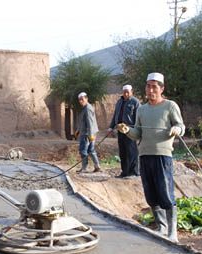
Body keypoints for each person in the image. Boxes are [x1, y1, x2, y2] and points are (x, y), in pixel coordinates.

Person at [116, 72, 185, 242]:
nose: (150, 90)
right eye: (148, 86)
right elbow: (138, 133)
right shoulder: (142, 109)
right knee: (150, 194)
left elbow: (180, 125)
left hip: (162, 156)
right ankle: (161, 226)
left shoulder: (170, 106)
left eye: (154, 86)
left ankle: (172, 231)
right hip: (145, 156)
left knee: (166, 193)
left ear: (162, 89)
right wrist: (127, 131)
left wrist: (177, 130)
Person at [108, 84, 140, 178]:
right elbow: (115, 115)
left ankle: (133, 172)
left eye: (128, 92)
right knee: (123, 152)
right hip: (120, 130)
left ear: (131, 92)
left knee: (131, 151)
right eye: (124, 92)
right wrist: (111, 127)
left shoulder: (135, 102)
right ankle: (124, 172)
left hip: (130, 131)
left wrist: (136, 129)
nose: (126, 94)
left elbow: (138, 117)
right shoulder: (119, 102)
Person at [75, 92, 101, 173]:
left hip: (87, 134)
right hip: (87, 133)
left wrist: (90, 135)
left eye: (82, 99)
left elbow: (90, 123)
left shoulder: (87, 109)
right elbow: (84, 122)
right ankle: (97, 166)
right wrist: (78, 130)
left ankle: (84, 168)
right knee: (91, 150)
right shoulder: (85, 108)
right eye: (79, 100)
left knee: (83, 150)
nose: (80, 101)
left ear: (86, 99)